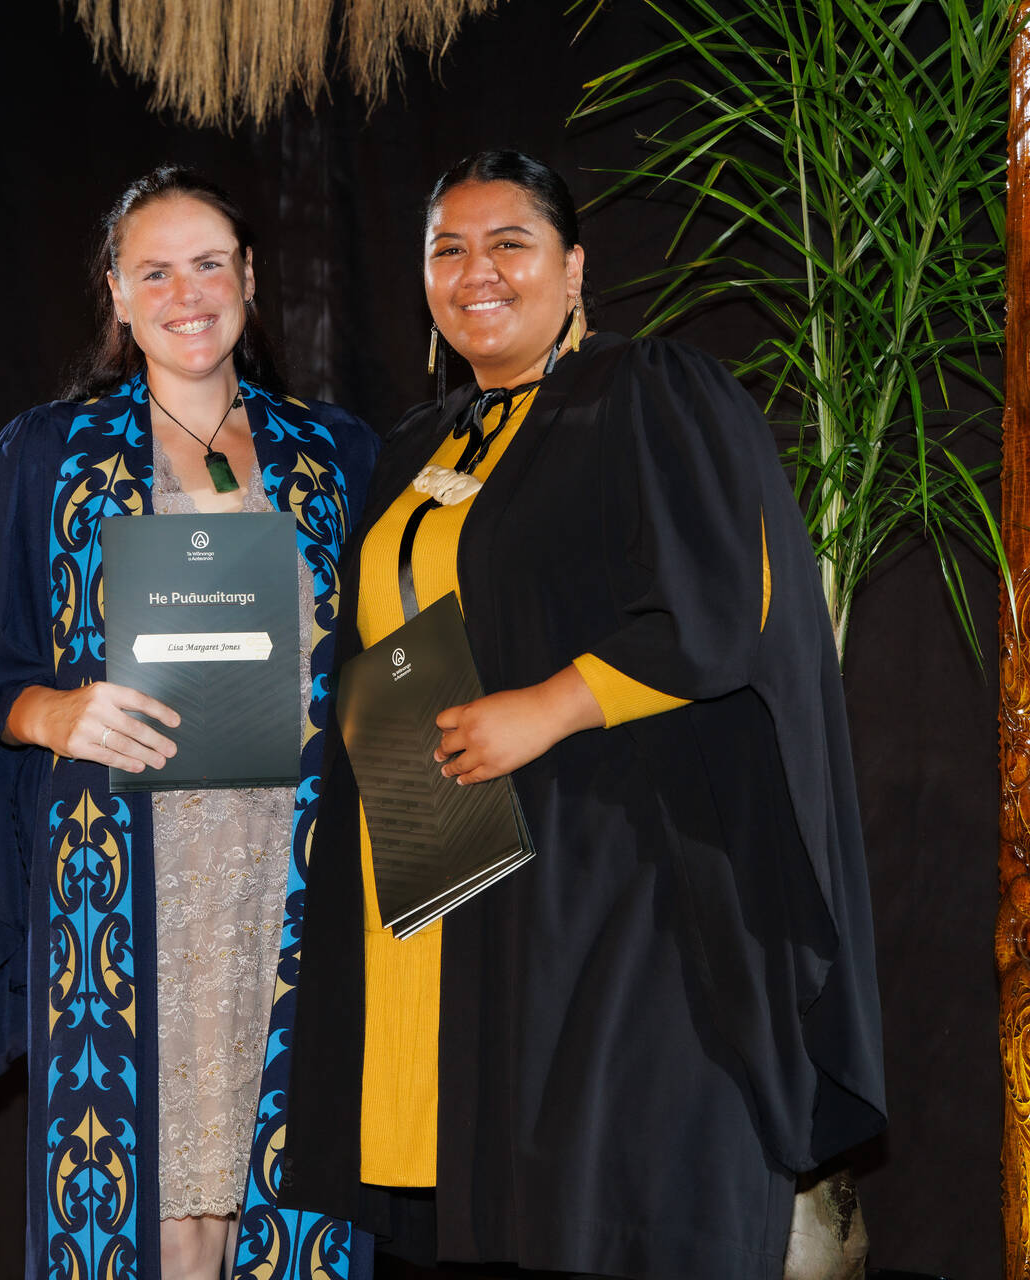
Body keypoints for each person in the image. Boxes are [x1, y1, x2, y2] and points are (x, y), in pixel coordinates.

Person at [280, 150, 886, 1279]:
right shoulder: (417, 444)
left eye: (510, 243)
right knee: (493, 1208)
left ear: (573, 267)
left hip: (622, 863)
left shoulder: (648, 392)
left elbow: (725, 602)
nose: (477, 271)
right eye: (448, 250)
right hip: (456, 869)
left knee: (606, 1195)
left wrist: (550, 708)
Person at [0, 166, 379, 1280]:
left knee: (289, 1190)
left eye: (209, 264)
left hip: (293, 878)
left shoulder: (335, 454)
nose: (187, 294)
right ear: (117, 293)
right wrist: (55, 712)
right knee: (162, 1217)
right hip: (129, 881)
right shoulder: (47, 457)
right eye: (155, 271)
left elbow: (393, 650)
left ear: (249, 278)